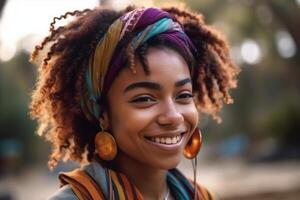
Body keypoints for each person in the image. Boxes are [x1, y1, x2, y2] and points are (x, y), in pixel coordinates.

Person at [30, 5, 239, 200]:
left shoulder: (202, 196)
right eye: (144, 99)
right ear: (103, 113)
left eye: (183, 95)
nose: (174, 116)